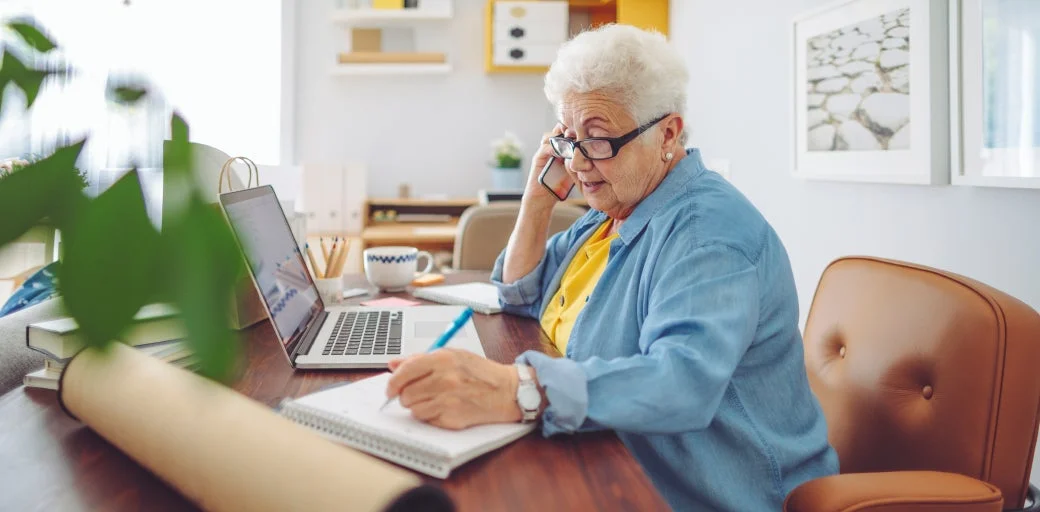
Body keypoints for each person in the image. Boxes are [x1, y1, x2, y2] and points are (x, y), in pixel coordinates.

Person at [385, 24, 839, 510]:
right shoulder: (609, 215)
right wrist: (536, 201)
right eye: (568, 138)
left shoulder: (709, 233)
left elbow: (682, 382)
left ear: (667, 133)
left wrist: (517, 391)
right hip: (608, 455)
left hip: (702, 491)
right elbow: (518, 291)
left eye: (598, 139)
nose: (578, 163)